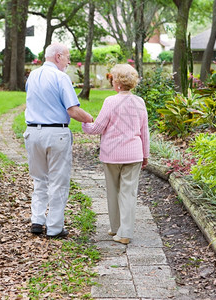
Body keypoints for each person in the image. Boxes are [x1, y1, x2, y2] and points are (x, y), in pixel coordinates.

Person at [23, 42, 93, 238]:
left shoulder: (32, 76)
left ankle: (37, 220)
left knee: (39, 179)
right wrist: (90, 118)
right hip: (56, 134)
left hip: (33, 133)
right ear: (58, 57)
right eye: (68, 57)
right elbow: (72, 110)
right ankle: (54, 228)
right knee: (58, 182)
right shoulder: (61, 78)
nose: (69, 61)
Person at [82, 64, 150, 244]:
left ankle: (115, 228)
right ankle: (124, 232)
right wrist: (145, 154)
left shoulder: (110, 102)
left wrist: (85, 123)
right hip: (134, 154)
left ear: (118, 83)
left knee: (113, 190)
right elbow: (144, 132)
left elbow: (97, 127)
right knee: (129, 192)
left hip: (112, 155)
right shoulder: (140, 102)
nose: (112, 82)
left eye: (113, 79)